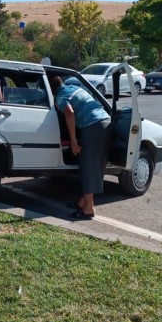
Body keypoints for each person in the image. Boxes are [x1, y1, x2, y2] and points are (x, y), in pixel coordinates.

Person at [50, 76, 112, 220]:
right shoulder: (73, 88)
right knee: (96, 166)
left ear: (52, 90)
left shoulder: (60, 96)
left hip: (92, 126)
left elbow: (69, 112)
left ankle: (88, 209)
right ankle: (83, 201)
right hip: (106, 121)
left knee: (88, 166)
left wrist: (73, 139)